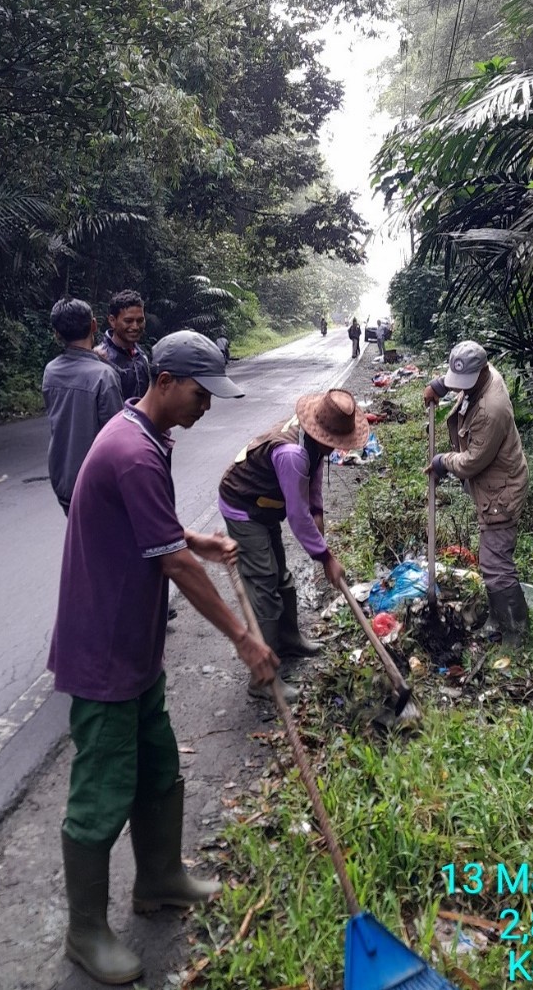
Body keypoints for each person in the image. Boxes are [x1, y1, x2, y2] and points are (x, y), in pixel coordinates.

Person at [48, 331, 278, 986]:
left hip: (136, 642)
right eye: (202, 395)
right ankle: (84, 932)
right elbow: (171, 563)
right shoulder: (131, 451)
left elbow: (156, 532)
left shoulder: (149, 436)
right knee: (101, 787)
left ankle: (159, 876)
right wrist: (241, 636)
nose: (207, 406)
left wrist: (195, 537)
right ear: (168, 379)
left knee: (156, 760)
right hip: (103, 648)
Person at [217, 389, 367, 703]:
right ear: (322, 433)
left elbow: (311, 479)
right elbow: (296, 517)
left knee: (281, 576)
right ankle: (263, 679)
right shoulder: (291, 454)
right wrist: (325, 557)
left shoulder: (310, 443)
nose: (338, 449)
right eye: (336, 443)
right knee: (263, 588)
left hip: (266, 504)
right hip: (244, 507)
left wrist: (319, 511)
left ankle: (287, 639)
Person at [424, 340, 529, 648]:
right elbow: (461, 377)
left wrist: (442, 461)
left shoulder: (491, 410)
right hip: (494, 484)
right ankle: (498, 620)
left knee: (496, 565)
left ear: (482, 370)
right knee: (490, 560)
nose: (461, 387)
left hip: (501, 492)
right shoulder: (483, 373)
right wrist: (440, 386)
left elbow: (471, 462)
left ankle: (515, 633)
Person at [42, 298, 123, 515]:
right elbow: (117, 438)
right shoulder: (104, 375)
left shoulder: (51, 371)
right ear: (94, 325)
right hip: (95, 485)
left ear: (57, 334)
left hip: (62, 479)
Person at [95, 288, 150, 400]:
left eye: (140, 320)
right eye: (128, 321)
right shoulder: (101, 358)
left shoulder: (141, 356)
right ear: (112, 321)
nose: (135, 327)